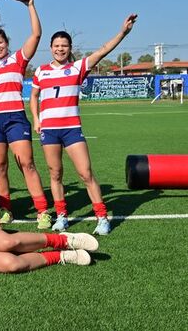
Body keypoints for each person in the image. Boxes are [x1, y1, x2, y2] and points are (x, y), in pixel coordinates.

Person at [30, 14, 138, 235]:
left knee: (85, 173)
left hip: (71, 130)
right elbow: (33, 96)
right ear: (50, 47)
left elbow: (103, 50)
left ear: (70, 48)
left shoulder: (78, 67)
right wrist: (36, 119)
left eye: (64, 45)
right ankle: (61, 216)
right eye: (56, 45)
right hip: (49, 131)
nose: (60, 49)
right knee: (55, 173)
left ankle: (102, 217)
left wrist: (123, 33)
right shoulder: (41, 71)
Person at [0, 0, 51, 229]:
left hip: (15, 119)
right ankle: (6, 209)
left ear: (6, 43)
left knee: (26, 164)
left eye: (0, 43)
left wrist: (30, 5)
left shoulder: (18, 59)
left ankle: (42, 211)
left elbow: (37, 34)